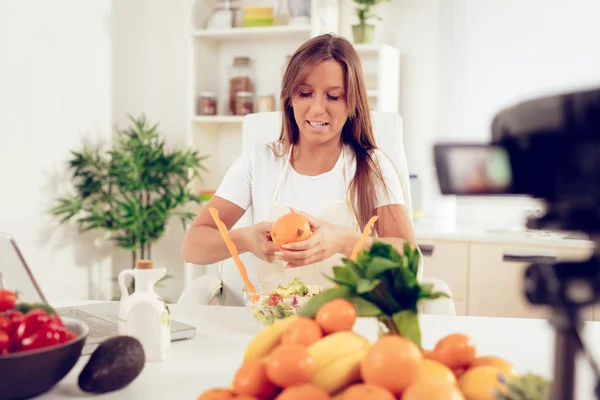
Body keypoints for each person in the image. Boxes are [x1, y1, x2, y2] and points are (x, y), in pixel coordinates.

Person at [181, 33, 416, 295]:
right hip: (274, 320)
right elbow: (192, 247)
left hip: (347, 321)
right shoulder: (257, 162)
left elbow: (408, 260)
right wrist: (244, 239)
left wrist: (344, 241)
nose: (317, 109)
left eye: (334, 97)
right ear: (290, 98)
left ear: (353, 104)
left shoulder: (371, 167)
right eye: (305, 93)